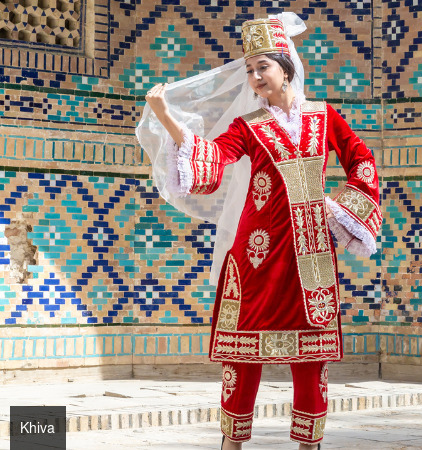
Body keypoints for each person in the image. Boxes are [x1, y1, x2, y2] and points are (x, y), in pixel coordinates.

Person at [137, 13, 382, 450]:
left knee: (312, 354)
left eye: (261, 68)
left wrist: (339, 207)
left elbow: (362, 160)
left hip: (310, 252)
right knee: (241, 352)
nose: (254, 77)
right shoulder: (248, 126)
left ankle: (310, 443)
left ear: (285, 67)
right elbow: (212, 157)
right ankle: (232, 442)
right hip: (257, 250)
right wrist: (167, 117)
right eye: (249, 71)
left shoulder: (325, 117)